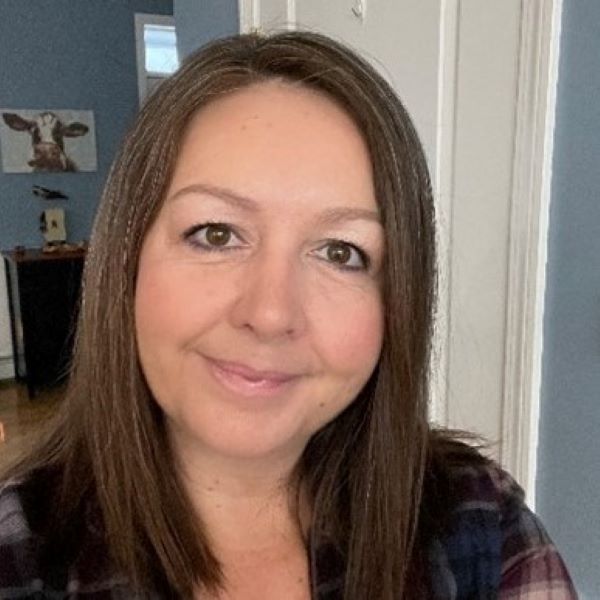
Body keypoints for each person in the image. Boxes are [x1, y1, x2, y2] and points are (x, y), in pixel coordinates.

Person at [0, 31, 577, 600]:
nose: (271, 313)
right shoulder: (19, 558)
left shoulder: (480, 525)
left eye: (340, 252)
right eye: (216, 233)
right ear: (126, 263)